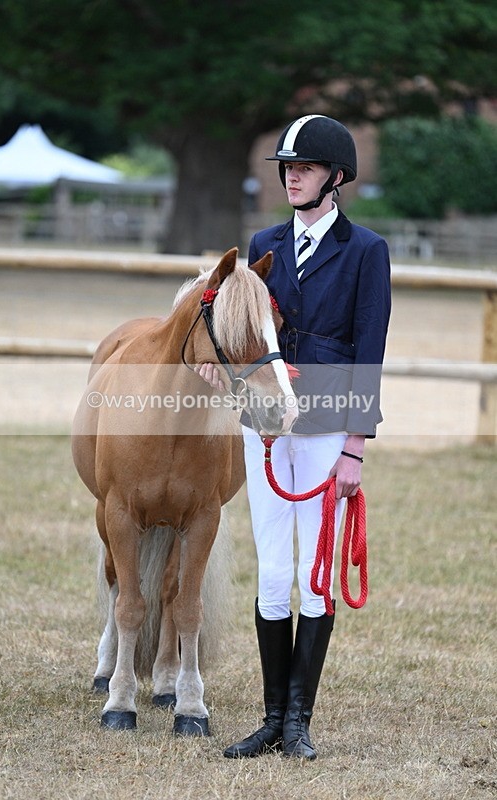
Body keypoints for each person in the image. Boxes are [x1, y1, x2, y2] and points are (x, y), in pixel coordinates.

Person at [199, 114, 391, 760]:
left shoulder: (365, 251)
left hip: (326, 426)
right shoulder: (262, 240)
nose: (291, 175)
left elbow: (370, 349)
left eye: (303, 167)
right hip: (266, 429)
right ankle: (271, 718)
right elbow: (244, 331)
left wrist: (353, 446)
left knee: (314, 577)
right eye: (286, 167)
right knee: (274, 573)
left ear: (335, 177)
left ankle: (299, 722)